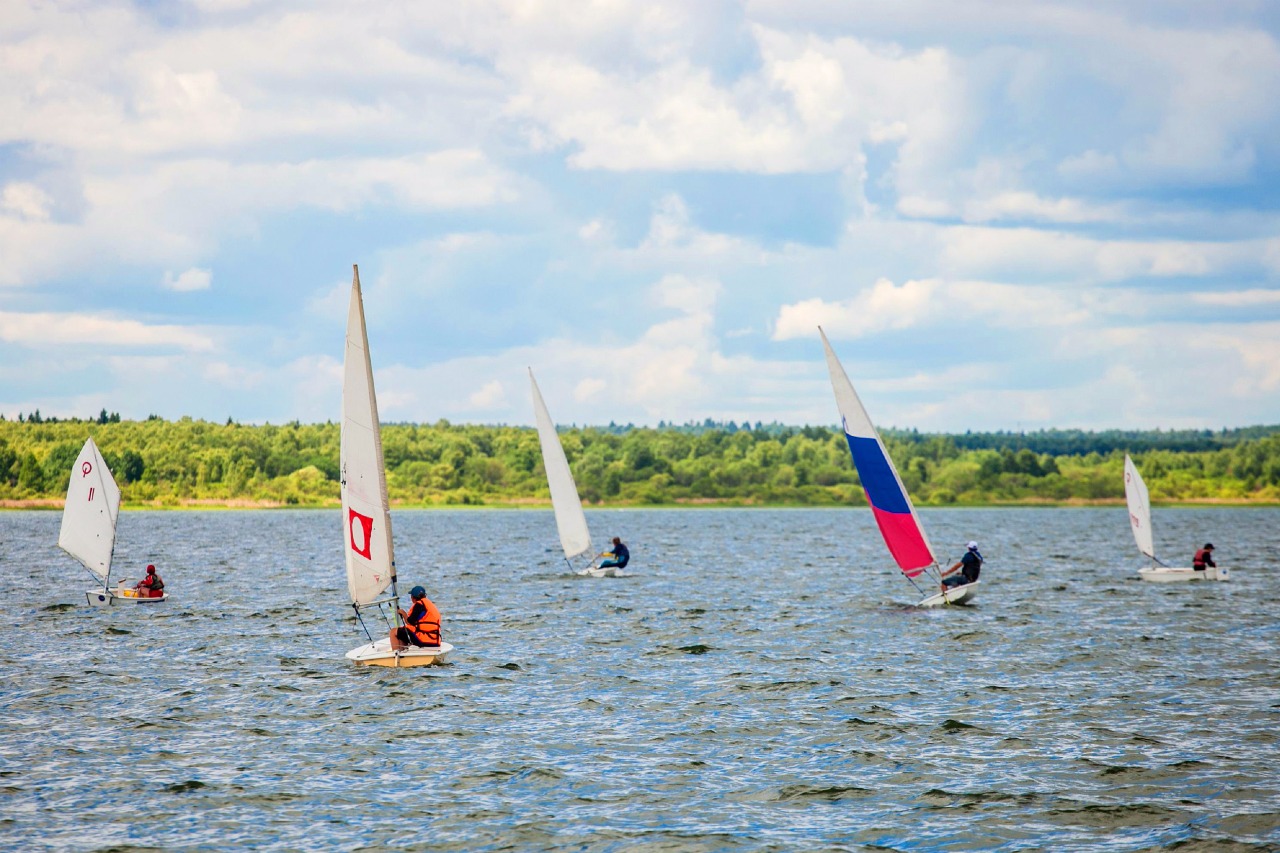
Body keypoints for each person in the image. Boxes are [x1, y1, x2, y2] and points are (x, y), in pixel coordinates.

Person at [391, 585, 441, 650]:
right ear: (424, 595)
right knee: (404, 632)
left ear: (413, 597)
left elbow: (410, 622)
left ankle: (396, 655)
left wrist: (403, 613)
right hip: (435, 640)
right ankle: (403, 653)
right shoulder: (430, 605)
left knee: (393, 632)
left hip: (423, 638)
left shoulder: (419, 605)